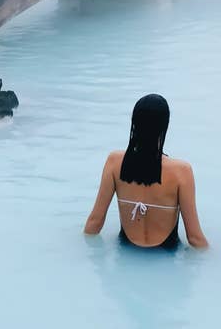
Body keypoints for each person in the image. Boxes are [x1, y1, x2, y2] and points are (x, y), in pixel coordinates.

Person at [84, 94, 209, 250]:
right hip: (166, 255)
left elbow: (94, 224)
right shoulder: (181, 172)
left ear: (134, 123)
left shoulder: (114, 162)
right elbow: (195, 238)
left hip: (126, 250)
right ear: (165, 126)